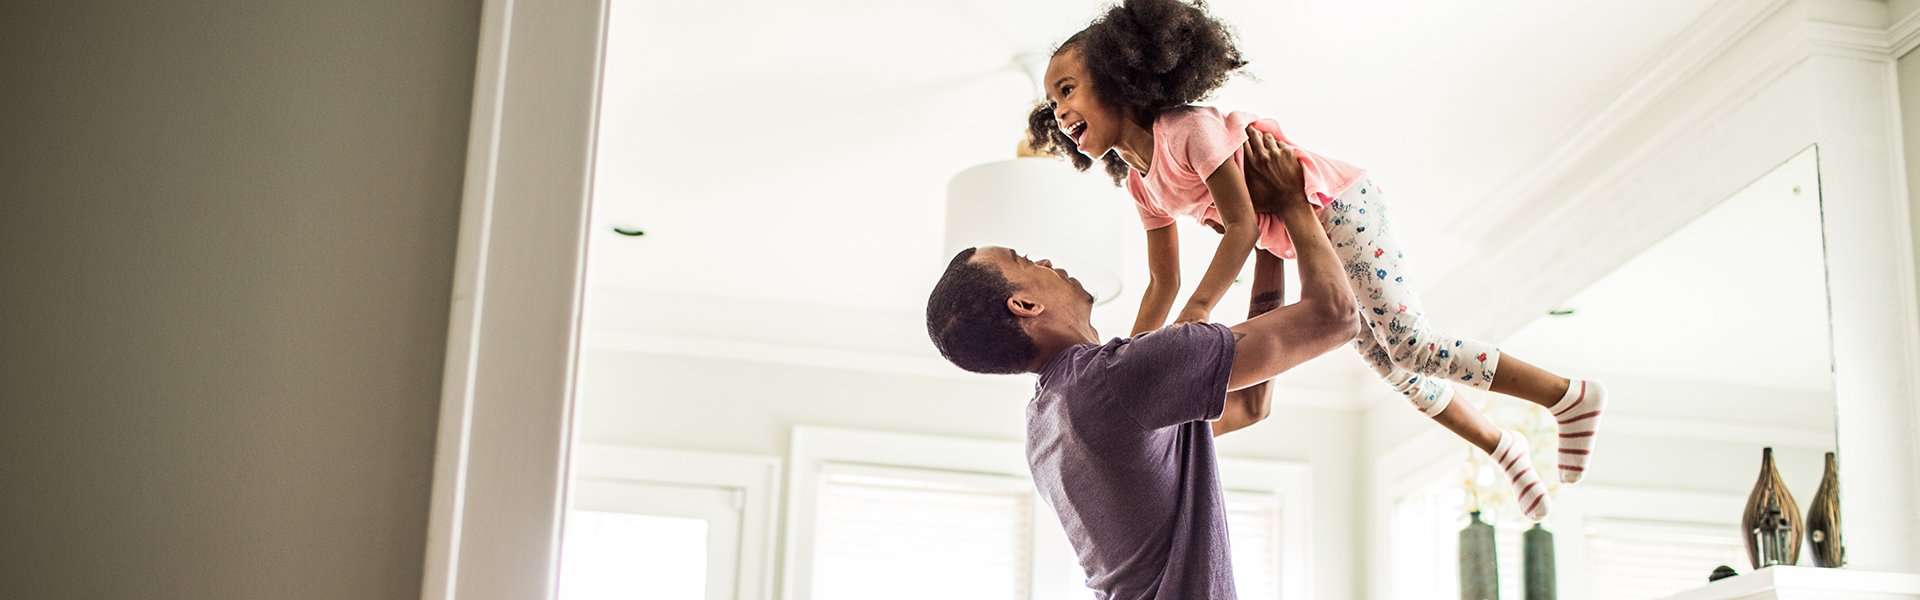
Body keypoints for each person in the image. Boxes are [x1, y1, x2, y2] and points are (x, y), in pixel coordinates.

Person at [1022, 0, 1606, 520]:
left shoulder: (1190, 130)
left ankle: (1566, 395)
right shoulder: (1141, 184)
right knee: (1394, 366)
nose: (1059, 112)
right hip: (1303, 237)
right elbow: (1161, 280)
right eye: (1052, 101)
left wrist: (1199, 308)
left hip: (1339, 205)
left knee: (1409, 343)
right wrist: (1125, 369)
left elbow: (1244, 224)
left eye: (1067, 89)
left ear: (1118, 78)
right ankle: (1502, 447)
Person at [928, 130, 1351, 599]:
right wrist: (1291, 203)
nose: (1045, 259)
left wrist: (1267, 244)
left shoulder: (1049, 421)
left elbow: (1250, 403)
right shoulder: (1113, 382)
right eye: (1025, 260)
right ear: (1024, 304)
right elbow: (1335, 317)